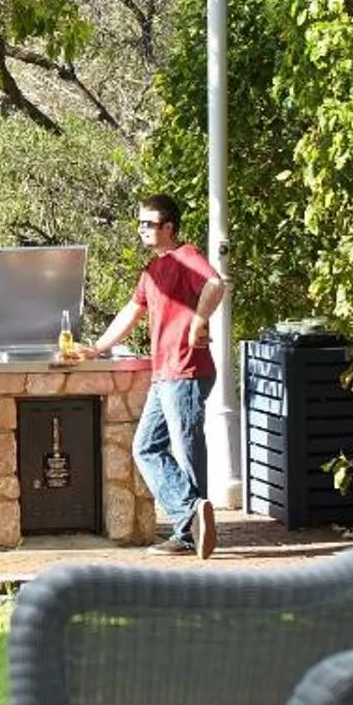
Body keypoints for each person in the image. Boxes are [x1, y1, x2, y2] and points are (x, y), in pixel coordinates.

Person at [90, 192, 228, 558]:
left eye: (148, 224)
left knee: (186, 452)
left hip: (186, 370)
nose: (141, 231)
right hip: (164, 373)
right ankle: (191, 515)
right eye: (139, 224)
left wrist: (199, 321)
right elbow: (130, 312)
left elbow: (216, 284)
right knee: (146, 447)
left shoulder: (187, 256)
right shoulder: (152, 271)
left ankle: (187, 533)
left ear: (169, 227)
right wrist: (97, 348)